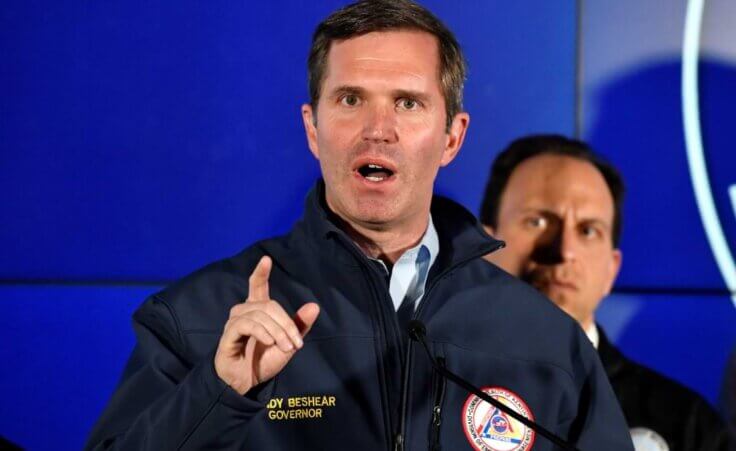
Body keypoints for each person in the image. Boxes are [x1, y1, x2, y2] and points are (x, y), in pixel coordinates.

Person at [86, 3, 633, 450]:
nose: (379, 130)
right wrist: (220, 391)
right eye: (350, 99)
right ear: (313, 128)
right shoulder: (197, 320)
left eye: (408, 103)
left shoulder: (545, 340)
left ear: (451, 138)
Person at [480, 134, 729, 451]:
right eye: (538, 221)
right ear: (483, 248)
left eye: (587, 231)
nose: (564, 250)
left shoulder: (686, 425)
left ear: (611, 270)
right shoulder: (423, 389)